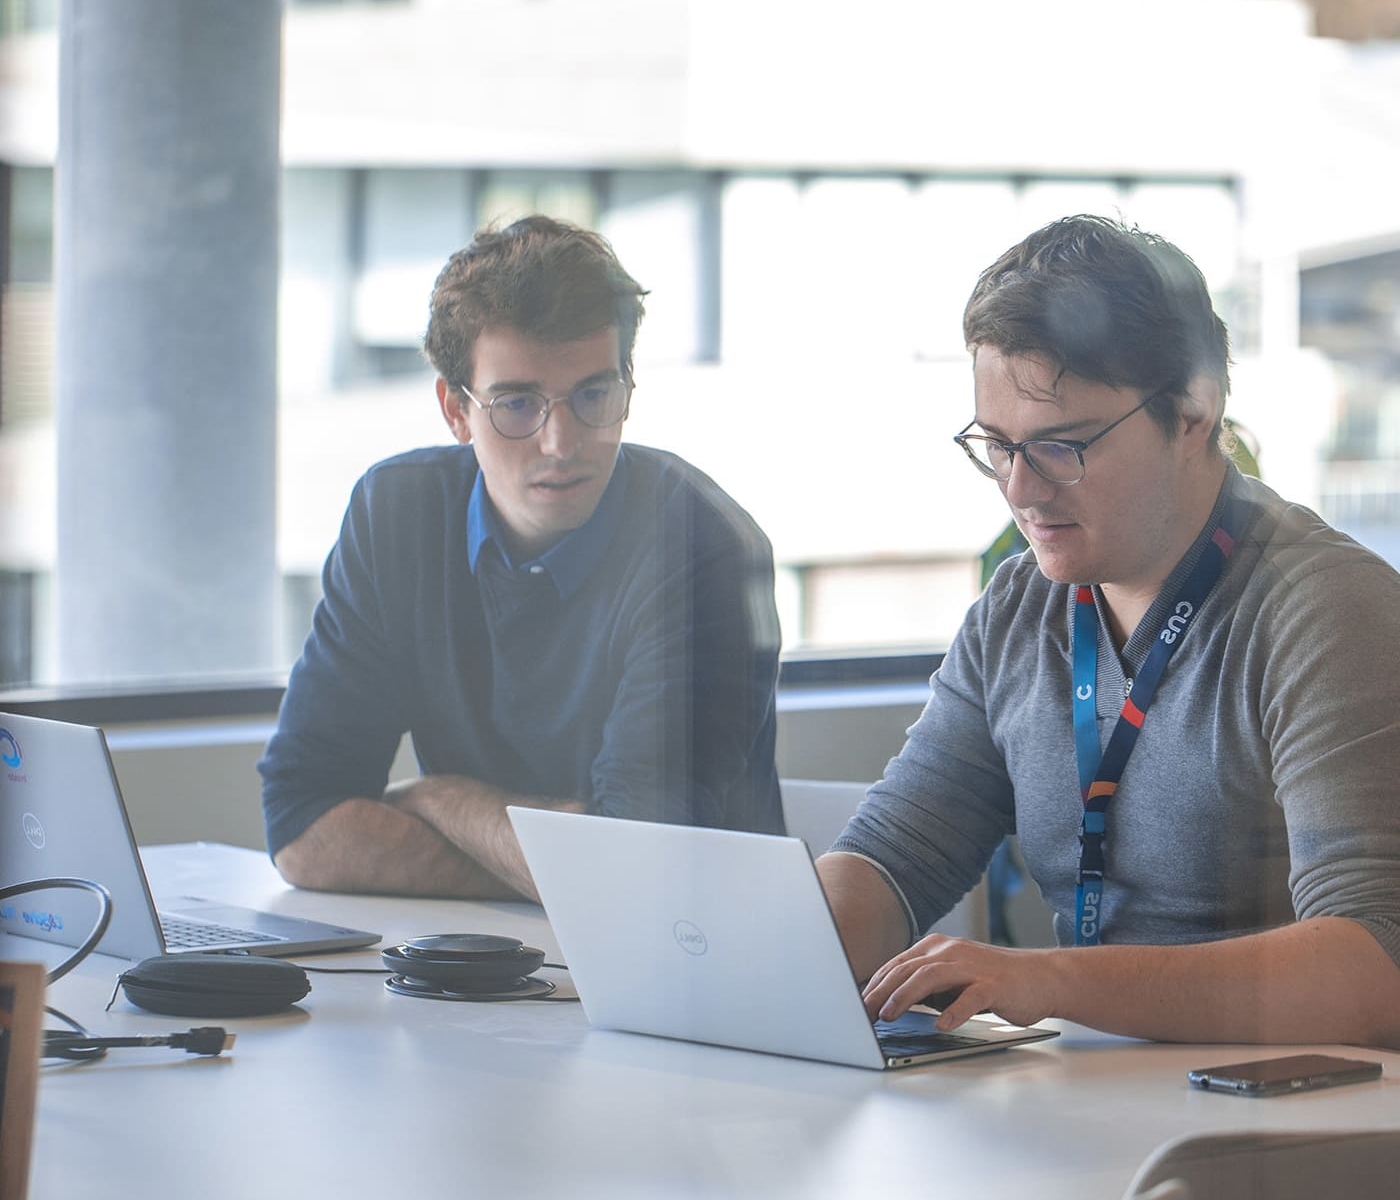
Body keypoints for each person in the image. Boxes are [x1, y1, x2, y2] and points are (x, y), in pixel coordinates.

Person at [818, 214, 1400, 1048]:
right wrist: (772, 945)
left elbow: (1377, 964)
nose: (1020, 490)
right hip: (1099, 1090)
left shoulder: (1330, 613)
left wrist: (1052, 980)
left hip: (1282, 1106)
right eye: (997, 446)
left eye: (1060, 447)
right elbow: (893, 854)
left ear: (1193, 411)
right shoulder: (1020, 607)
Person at [260, 215, 783, 900]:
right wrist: (553, 861)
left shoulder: (703, 547)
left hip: (693, 951)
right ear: (455, 410)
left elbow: (631, 873)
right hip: (474, 950)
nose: (560, 442)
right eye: (517, 404)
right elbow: (301, 826)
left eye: (593, 395)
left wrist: (442, 800)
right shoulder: (395, 515)